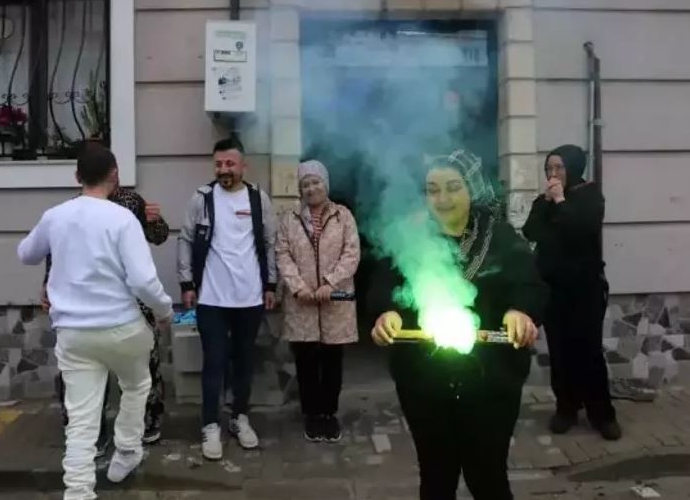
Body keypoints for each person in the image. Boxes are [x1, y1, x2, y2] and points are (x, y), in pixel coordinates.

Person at [370, 150, 547, 500]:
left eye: (453, 187)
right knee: (436, 477)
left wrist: (520, 311)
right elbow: (381, 284)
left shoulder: (500, 237)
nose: (443, 198)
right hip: (425, 382)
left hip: (491, 382)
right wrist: (386, 311)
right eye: (433, 189)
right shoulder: (410, 236)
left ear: (473, 189)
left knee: (488, 476)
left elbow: (531, 284)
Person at [17, 144, 173, 499]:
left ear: (77, 177)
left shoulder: (56, 215)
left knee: (81, 423)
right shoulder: (123, 218)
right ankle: (128, 451)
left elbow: (26, 254)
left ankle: (78, 492)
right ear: (115, 175)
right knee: (136, 386)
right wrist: (164, 312)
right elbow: (144, 282)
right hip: (123, 327)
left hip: (73, 333)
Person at [43, 178, 170, 453]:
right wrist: (47, 286)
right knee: (84, 377)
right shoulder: (72, 209)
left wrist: (154, 220)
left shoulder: (131, 202)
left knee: (143, 370)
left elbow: (159, 237)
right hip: (83, 305)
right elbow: (56, 253)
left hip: (132, 304)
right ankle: (91, 435)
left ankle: (145, 427)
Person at [177, 136, 277, 461]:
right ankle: (209, 426)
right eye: (219, 164)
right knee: (214, 363)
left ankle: (239, 418)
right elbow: (186, 239)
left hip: (250, 300)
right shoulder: (202, 198)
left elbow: (270, 242)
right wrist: (186, 283)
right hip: (211, 300)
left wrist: (271, 285)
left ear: (242, 165)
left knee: (244, 363)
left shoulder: (258, 199)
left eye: (230, 164)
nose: (224, 170)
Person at [522, 144, 621, 441]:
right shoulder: (543, 202)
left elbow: (581, 230)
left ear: (573, 168)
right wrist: (550, 205)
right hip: (554, 289)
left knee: (588, 351)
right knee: (561, 352)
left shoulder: (590, 195)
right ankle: (566, 408)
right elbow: (530, 232)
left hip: (585, 289)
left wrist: (562, 203)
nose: (553, 174)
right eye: (549, 169)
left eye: (559, 168)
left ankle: (601, 414)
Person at [275, 160, 360, 443]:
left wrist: (330, 283)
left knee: (332, 361)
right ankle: (311, 415)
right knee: (307, 361)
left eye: (316, 182)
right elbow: (283, 255)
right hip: (303, 304)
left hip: (335, 302)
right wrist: (299, 287)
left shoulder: (343, 216)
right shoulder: (290, 220)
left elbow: (352, 254)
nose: (311, 189)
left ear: (326, 184)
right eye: (305, 185)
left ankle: (329, 414)